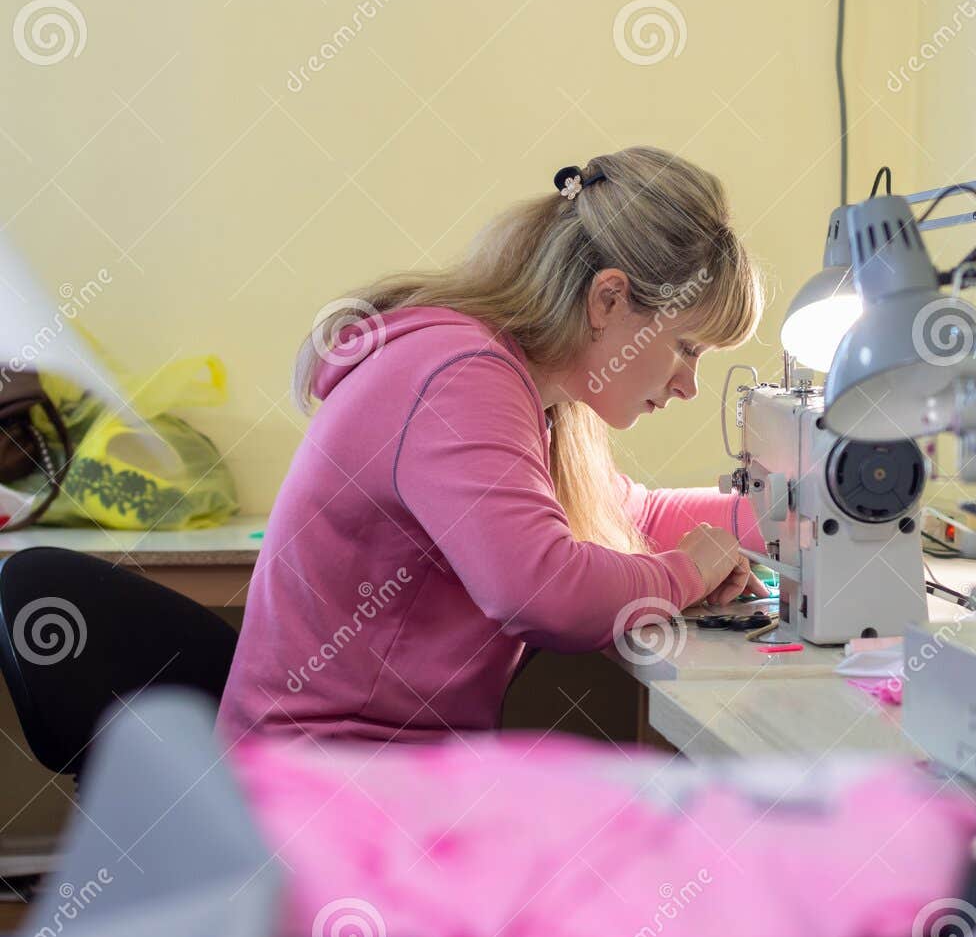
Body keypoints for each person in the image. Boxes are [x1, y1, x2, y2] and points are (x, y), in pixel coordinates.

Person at [218, 147, 766, 743]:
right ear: (608, 300)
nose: (689, 385)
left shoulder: (542, 396)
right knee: (671, 811)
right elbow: (541, 591)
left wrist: (795, 512)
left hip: (386, 761)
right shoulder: (459, 376)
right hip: (322, 779)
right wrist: (687, 571)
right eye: (687, 348)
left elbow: (633, 515)